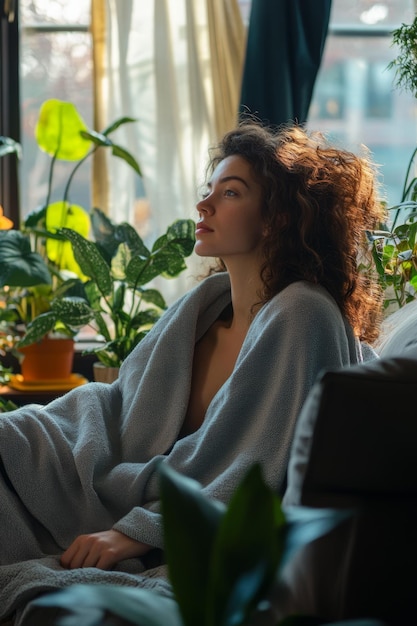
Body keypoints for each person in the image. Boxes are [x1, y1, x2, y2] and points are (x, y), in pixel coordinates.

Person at [0, 122, 385, 620]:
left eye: (230, 193)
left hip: (177, 529)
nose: (204, 206)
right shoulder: (203, 309)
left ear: (278, 218)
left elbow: (253, 467)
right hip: (113, 492)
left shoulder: (302, 314)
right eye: (209, 191)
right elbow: (118, 406)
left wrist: (132, 534)